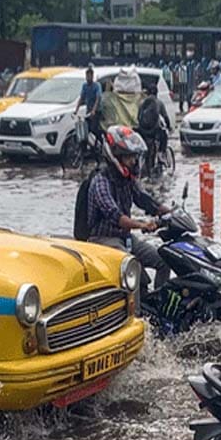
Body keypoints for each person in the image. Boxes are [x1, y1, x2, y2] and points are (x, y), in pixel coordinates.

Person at [86, 125, 172, 288]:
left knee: (164, 260)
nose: (134, 162)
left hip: (125, 237)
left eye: (135, 157)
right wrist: (142, 225)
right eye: (129, 157)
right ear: (116, 156)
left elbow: (143, 199)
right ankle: (136, 311)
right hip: (103, 240)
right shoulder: (100, 181)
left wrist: (169, 212)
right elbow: (115, 215)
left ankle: (160, 305)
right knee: (134, 272)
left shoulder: (127, 180)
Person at [138, 83, 172, 174]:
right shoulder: (159, 102)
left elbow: (138, 117)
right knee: (164, 135)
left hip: (143, 130)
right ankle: (161, 153)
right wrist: (169, 127)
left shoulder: (142, 103)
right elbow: (165, 117)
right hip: (154, 131)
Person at [76, 66, 102, 142]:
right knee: (86, 129)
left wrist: (94, 110)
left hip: (96, 111)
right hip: (88, 110)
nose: (88, 78)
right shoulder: (84, 86)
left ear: (92, 76)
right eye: (87, 76)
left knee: (94, 128)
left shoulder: (97, 85)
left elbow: (98, 98)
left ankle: (100, 140)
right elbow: (81, 98)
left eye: (89, 76)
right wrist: (76, 110)